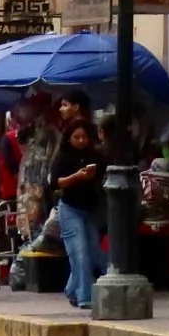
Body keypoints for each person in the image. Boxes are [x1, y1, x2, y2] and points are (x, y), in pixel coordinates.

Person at [48, 106, 110, 309]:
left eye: (84, 137)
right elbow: (56, 183)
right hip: (70, 209)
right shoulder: (63, 156)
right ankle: (85, 296)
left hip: (90, 209)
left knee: (91, 251)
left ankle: (72, 289)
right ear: (69, 138)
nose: (81, 141)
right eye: (77, 137)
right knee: (80, 252)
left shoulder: (96, 156)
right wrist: (77, 177)